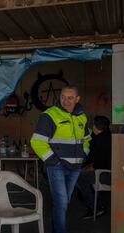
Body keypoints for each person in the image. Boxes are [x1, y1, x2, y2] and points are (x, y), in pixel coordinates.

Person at [31, 85, 91, 233]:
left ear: (77, 99)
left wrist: (84, 154)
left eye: (70, 98)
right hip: (57, 166)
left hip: (75, 167)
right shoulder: (49, 115)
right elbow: (37, 141)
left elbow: (87, 139)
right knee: (61, 202)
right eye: (63, 97)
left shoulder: (82, 116)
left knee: (63, 202)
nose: (66, 101)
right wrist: (54, 161)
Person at [77, 115, 111, 220]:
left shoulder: (103, 140)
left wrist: (84, 169)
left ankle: (95, 207)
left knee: (80, 177)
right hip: (105, 171)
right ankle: (97, 204)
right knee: (81, 174)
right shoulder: (103, 136)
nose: (93, 127)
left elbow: (98, 164)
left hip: (107, 174)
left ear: (97, 127)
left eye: (94, 125)